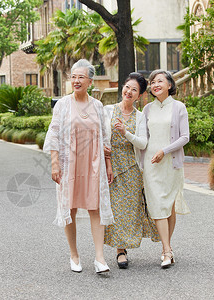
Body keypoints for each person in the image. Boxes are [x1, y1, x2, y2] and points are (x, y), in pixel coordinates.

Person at [43, 59, 114, 274]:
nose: (76, 80)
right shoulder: (63, 105)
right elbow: (54, 133)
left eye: (80, 77)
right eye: (73, 76)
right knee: (70, 208)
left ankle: (100, 258)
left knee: (95, 208)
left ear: (90, 81)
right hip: (69, 163)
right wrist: (55, 164)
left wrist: (108, 165)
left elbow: (105, 138)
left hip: (93, 164)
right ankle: (74, 254)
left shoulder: (98, 106)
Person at [103, 72, 160, 269]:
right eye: (127, 87)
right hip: (111, 167)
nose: (129, 91)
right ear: (122, 87)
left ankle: (125, 246)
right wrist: (107, 161)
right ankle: (120, 251)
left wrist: (125, 132)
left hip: (132, 168)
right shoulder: (108, 110)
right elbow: (101, 137)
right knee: (115, 210)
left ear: (139, 95)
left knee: (129, 210)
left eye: (134, 90)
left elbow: (143, 143)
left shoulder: (139, 116)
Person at [141, 69, 190, 268]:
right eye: (152, 82)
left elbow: (184, 137)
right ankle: (168, 250)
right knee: (158, 206)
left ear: (170, 85)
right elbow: (143, 139)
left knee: (169, 207)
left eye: (160, 81)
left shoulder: (179, 107)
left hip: (171, 163)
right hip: (151, 164)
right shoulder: (146, 109)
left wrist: (164, 151)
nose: (155, 84)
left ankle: (165, 249)